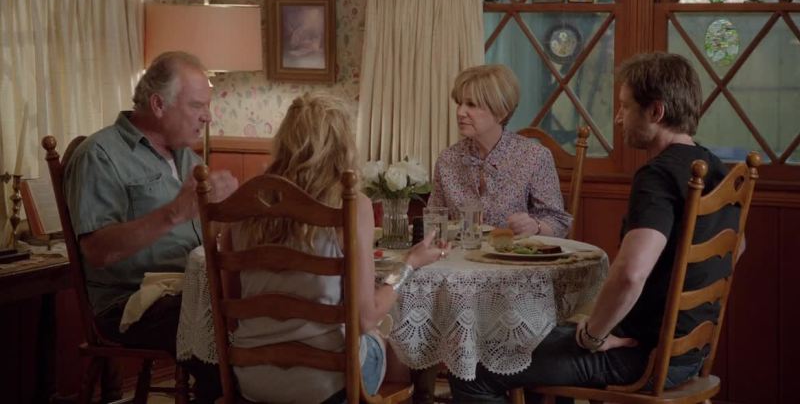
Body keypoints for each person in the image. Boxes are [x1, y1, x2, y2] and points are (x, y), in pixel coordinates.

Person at [449, 52, 742, 402]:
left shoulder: (658, 176)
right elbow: (737, 247)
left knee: (472, 366)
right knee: (534, 338)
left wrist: (593, 335)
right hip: (689, 355)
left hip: (641, 358)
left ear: (656, 112)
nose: (618, 117)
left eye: (626, 107)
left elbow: (631, 274)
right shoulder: (714, 168)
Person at [230, 93, 448, 404]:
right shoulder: (349, 205)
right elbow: (366, 318)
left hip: (251, 378)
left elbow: (234, 306)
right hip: (325, 385)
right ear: (342, 145)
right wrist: (409, 264)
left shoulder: (247, 203)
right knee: (393, 346)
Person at [64, 51, 239, 401]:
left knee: (262, 314)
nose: (207, 116)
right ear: (159, 104)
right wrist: (174, 213)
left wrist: (232, 216)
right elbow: (97, 251)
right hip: (130, 303)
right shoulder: (100, 154)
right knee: (225, 333)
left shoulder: (188, 157)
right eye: (197, 105)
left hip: (191, 290)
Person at [428, 64, 571, 237]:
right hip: (460, 252)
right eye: (459, 103)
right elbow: (434, 219)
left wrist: (535, 226)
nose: (460, 112)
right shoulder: (448, 159)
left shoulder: (534, 157)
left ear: (501, 112)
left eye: (471, 104)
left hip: (513, 253)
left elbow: (559, 223)